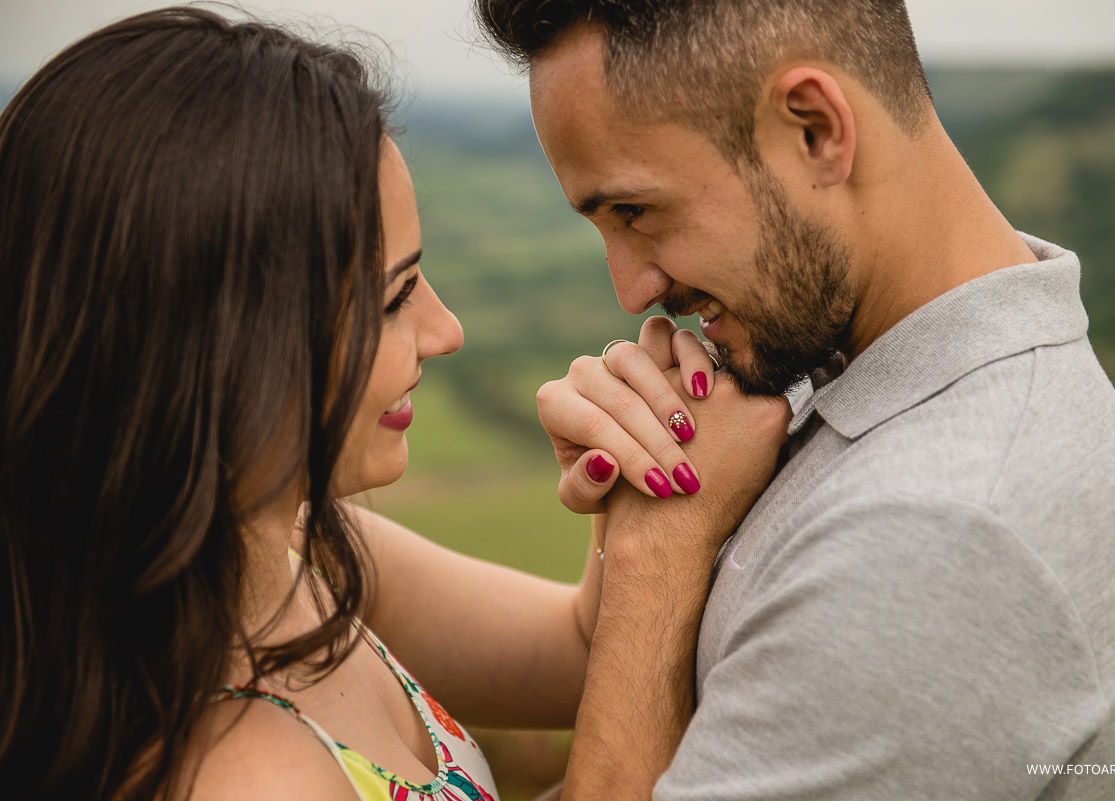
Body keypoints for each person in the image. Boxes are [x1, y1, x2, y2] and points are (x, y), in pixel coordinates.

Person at [0, 7, 791, 800]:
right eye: (393, 297)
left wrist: (643, 465)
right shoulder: (237, 774)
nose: (445, 330)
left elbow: (584, 650)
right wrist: (666, 552)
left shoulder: (296, 553)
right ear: (214, 352)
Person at [475, 1, 1115, 799]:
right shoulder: (837, 360)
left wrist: (657, 553)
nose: (633, 291)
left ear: (814, 129)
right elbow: (591, 659)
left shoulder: (938, 537)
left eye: (635, 210)